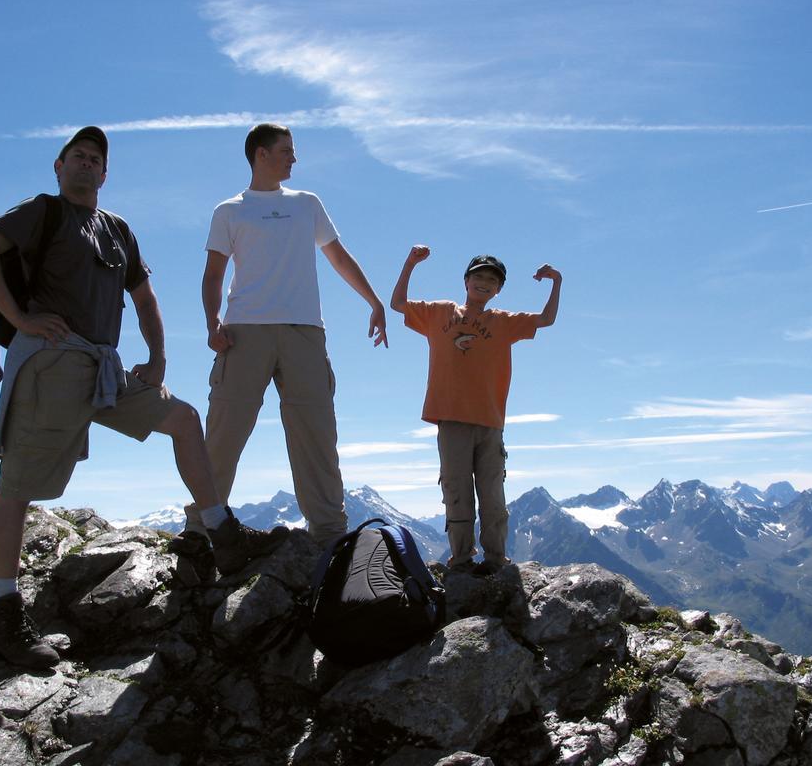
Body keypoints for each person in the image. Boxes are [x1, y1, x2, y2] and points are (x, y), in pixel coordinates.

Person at [0, 126, 283, 669]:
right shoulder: (43, 211)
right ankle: (3, 612)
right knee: (18, 483)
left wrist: (158, 357)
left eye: (96, 160)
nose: (87, 165)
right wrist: (19, 320)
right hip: (53, 359)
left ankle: (221, 532)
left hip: (103, 365)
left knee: (182, 417)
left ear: (105, 174)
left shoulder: (117, 230)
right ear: (59, 167)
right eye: (77, 157)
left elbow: (144, 295)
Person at [202, 123, 388, 545]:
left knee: (317, 434)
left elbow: (337, 256)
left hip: (305, 333)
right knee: (224, 433)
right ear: (260, 154)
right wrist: (211, 323)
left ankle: (329, 537)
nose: (294, 158)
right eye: (286, 150)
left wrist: (373, 301)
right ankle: (201, 531)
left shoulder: (307, 204)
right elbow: (214, 274)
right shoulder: (229, 210)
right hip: (243, 332)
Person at [391, 246, 562, 575]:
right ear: (466, 281)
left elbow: (546, 319)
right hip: (451, 419)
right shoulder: (439, 313)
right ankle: (461, 558)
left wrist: (556, 281)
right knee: (456, 491)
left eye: (492, 280)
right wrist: (410, 263)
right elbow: (398, 304)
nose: (484, 283)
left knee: (493, 495)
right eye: (479, 276)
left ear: (499, 290)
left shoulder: (503, 322)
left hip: (490, 421)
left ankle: (496, 559)